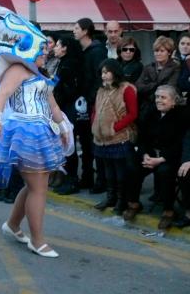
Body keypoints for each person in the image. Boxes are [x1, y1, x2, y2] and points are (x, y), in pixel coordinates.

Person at [0, 0, 72, 258]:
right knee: (38, 187)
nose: (46, 53)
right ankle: (37, 240)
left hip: (42, 132)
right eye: (43, 48)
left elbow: (53, 105)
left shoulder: (41, 75)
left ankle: (13, 225)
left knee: (35, 185)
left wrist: (63, 129)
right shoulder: (18, 69)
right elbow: (0, 96)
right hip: (24, 132)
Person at [123, 85, 188, 230]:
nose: (158, 100)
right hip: (151, 154)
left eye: (163, 97)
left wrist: (160, 159)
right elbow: (142, 138)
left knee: (164, 172)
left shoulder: (182, 116)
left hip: (171, 156)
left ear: (174, 101)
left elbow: (180, 144)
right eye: (157, 97)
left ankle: (168, 211)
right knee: (132, 166)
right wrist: (145, 155)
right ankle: (133, 203)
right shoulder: (151, 113)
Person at [91, 59, 137, 214]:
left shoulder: (127, 89)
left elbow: (132, 114)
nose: (103, 75)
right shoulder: (101, 90)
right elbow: (95, 111)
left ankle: (121, 200)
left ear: (115, 72)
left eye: (107, 72)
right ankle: (110, 197)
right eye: (102, 72)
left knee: (120, 171)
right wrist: (94, 126)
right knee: (107, 169)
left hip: (119, 137)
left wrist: (114, 128)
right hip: (101, 138)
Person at [73, 17, 108, 193]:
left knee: (96, 142)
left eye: (77, 28)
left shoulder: (97, 51)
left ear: (86, 31)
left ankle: (100, 181)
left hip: (94, 102)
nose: (74, 31)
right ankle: (87, 177)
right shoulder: (82, 51)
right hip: (83, 103)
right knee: (86, 142)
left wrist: (92, 98)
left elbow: (98, 78)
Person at [51, 35, 83, 195]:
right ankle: (66, 178)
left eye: (57, 45)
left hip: (68, 109)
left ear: (65, 48)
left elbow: (69, 90)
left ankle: (72, 181)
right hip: (63, 108)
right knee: (64, 144)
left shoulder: (69, 65)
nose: (55, 48)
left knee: (69, 144)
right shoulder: (64, 63)